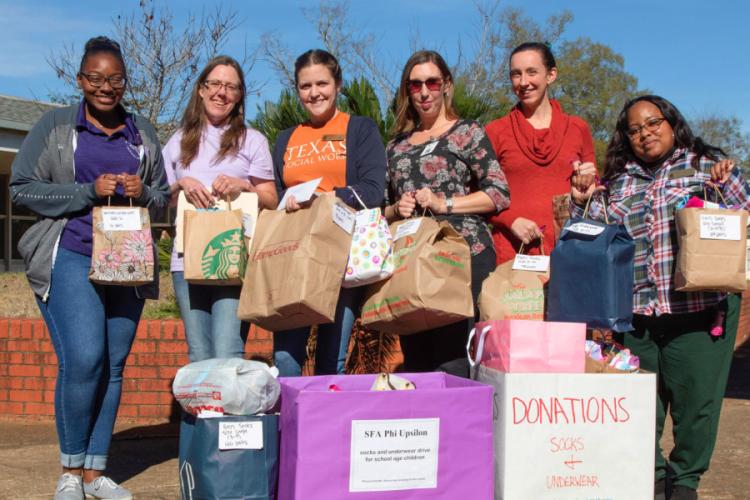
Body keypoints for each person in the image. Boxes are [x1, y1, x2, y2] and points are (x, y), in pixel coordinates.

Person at [10, 36, 169, 500]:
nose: (106, 87)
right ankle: (69, 469)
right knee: (84, 359)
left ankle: (96, 473)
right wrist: (84, 191)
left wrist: (143, 192)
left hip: (129, 260)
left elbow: (162, 199)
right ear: (80, 81)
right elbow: (23, 188)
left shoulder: (143, 132)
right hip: (72, 254)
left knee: (114, 365)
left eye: (115, 79)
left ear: (125, 83)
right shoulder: (56, 126)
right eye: (96, 78)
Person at [570, 95, 749, 500]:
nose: (644, 134)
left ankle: (685, 481)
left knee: (696, 406)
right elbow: (586, 240)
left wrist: (730, 180)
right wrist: (580, 200)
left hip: (699, 313)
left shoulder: (706, 169)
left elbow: (744, 221)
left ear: (672, 122)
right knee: (636, 406)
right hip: (636, 317)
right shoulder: (616, 183)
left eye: (653, 123)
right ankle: (650, 477)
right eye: (634, 130)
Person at [384, 50, 510, 374]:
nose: (424, 91)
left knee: (454, 357)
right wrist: (396, 208)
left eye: (431, 82)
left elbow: (498, 193)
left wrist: (445, 204)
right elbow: (381, 210)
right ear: (406, 90)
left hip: (461, 254)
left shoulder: (467, 132)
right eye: (415, 85)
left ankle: (459, 424)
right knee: (417, 360)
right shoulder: (395, 146)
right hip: (412, 259)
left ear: (446, 85)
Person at [271, 49, 386, 376]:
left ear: (337, 84)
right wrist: (288, 201)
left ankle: (323, 427)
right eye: (305, 86)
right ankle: (288, 427)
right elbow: (276, 193)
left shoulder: (360, 129)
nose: (314, 92)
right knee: (285, 357)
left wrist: (322, 200)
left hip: (341, 256)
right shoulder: (285, 139)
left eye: (322, 83)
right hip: (292, 256)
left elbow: (373, 191)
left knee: (330, 359)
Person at [162, 55, 277, 362]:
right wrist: (181, 183)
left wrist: (246, 187)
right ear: (201, 89)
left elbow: (271, 199)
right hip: (185, 261)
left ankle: (227, 411)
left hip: (233, 258)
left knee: (227, 351)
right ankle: (200, 412)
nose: (221, 92)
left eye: (231, 87)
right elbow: (160, 197)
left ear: (239, 96)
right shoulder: (177, 140)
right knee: (199, 354)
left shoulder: (252, 140)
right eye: (215, 83)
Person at [486, 42, 596, 263]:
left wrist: (588, 184)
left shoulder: (578, 128)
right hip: (513, 255)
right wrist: (510, 220)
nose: (523, 82)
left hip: (571, 252)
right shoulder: (495, 131)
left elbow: (594, 188)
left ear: (551, 75)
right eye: (516, 74)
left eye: (532, 72)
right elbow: (477, 194)